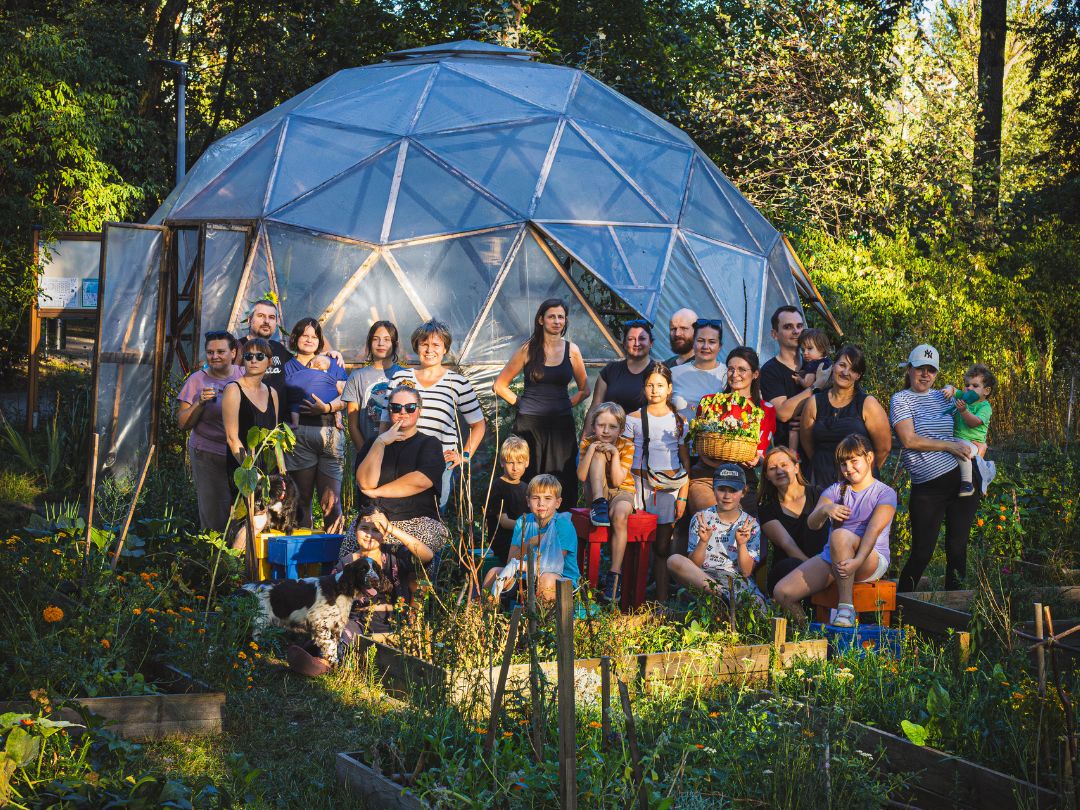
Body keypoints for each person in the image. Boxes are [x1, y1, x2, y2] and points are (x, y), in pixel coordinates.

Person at [773, 435, 897, 626]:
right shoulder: (835, 490)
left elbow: (873, 530)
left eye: (854, 461)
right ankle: (807, 631)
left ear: (869, 458)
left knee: (839, 536)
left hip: (869, 558)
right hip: (834, 558)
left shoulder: (885, 493)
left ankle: (845, 607)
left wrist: (857, 561)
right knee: (782, 592)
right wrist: (824, 510)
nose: (848, 468)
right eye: (843, 463)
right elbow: (813, 524)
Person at [891, 344, 979, 592]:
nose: (925, 375)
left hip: (963, 479)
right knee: (922, 552)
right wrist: (948, 447)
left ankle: (954, 609)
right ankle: (900, 609)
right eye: (920, 368)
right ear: (909, 369)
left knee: (957, 548)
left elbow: (977, 404)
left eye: (931, 370)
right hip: (928, 488)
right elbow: (909, 440)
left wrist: (978, 439)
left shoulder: (943, 396)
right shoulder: (901, 399)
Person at [493, 299, 589, 510]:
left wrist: (565, 404)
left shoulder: (572, 350)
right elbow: (500, 386)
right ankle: (524, 533)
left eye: (561, 317)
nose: (556, 321)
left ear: (565, 321)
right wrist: (523, 404)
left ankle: (560, 534)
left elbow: (585, 390)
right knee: (528, 478)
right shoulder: (528, 349)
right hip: (529, 425)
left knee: (562, 481)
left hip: (561, 428)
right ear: (540, 319)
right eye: (551, 316)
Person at [391, 321, 486, 511]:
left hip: (439, 462)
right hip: (402, 458)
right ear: (417, 346)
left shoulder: (457, 382)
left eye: (436, 345)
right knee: (397, 512)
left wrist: (464, 455)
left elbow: (478, 425)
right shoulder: (401, 378)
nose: (429, 349)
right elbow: (387, 421)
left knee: (433, 513)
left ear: (445, 349)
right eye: (424, 343)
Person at [353, 384, 450, 557]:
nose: (403, 412)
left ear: (419, 410)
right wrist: (380, 443)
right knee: (352, 559)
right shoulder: (372, 443)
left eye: (410, 407)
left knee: (410, 561)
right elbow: (365, 482)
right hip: (372, 523)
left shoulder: (430, 444)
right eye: (396, 407)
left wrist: (376, 492)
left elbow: (421, 480)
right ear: (389, 411)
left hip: (417, 521)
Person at [623, 363, 691, 603]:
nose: (655, 390)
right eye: (650, 385)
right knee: (637, 546)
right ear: (644, 388)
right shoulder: (632, 419)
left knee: (662, 547)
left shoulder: (679, 421)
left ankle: (661, 603)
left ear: (669, 388)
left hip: (670, 489)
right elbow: (625, 455)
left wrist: (683, 495)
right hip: (640, 486)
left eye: (660, 385)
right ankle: (632, 600)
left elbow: (685, 462)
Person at [686, 347, 776, 521]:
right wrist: (719, 460)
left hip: (742, 480)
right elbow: (701, 447)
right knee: (714, 519)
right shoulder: (709, 403)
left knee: (741, 530)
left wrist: (756, 460)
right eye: (731, 369)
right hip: (707, 476)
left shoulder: (765, 409)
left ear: (755, 374)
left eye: (742, 369)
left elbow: (760, 454)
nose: (735, 374)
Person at [282, 318, 348, 532]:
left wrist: (327, 408)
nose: (309, 340)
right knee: (301, 500)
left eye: (314, 336)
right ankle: (303, 559)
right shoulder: (287, 365)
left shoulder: (333, 362)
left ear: (320, 340)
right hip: (299, 435)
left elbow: (346, 396)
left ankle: (336, 560)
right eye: (305, 335)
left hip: (329, 432)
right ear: (295, 338)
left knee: (331, 502)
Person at [668, 464, 765, 607]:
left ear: (743, 492)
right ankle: (724, 596)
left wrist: (741, 544)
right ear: (713, 489)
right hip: (705, 578)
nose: (727, 496)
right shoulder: (701, 518)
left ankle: (725, 601)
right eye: (721, 489)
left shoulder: (750, 524)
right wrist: (703, 542)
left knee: (758, 604)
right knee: (674, 560)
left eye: (733, 490)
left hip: (736, 579)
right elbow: (694, 565)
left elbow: (746, 572)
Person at [177, 331, 244, 532]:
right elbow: (182, 423)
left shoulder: (245, 375)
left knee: (245, 509)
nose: (214, 356)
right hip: (208, 453)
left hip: (241, 454)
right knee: (214, 513)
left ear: (233, 352)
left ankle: (239, 556)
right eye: (210, 352)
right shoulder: (197, 381)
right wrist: (199, 403)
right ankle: (215, 557)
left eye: (221, 351)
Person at [799, 345, 891, 487]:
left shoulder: (868, 404)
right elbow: (807, 442)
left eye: (853, 369)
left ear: (858, 376)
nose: (846, 372)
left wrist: (862, 473)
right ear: (833, 365)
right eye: (842, 365)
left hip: (858, 486)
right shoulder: (814, 402)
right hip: (820, 482)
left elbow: (883, 448)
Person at [482, 474, 579, 604]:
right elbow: (510, 560)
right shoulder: (522, 522)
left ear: (558, 502)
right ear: (528, 501)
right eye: (535, 498)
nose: (541, 503)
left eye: (548, 498)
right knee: (493, 573)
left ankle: (543, 622)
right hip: (525, 578)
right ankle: (486, 616)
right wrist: (530, 543)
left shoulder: (562, 524)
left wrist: (520, 565)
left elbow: (553, 565)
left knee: (546, 579)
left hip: (561, 580)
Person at [578, 402, 636, 599]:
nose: (605, 431)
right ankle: (599, 503)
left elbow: (619, 480)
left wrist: (615, 453)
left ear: (620, 429)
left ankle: (615, 574)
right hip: (597, 490)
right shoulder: (588, 442)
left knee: (620, 515)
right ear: (593, 425)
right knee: (598, 455)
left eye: (612, 427)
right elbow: (581, 475)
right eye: (601, 425)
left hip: (622, 491)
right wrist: (593, 450)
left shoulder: (627, 445)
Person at [757, 446, 828, 597]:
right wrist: (817, 573)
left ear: (796, 467)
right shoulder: (767, 508)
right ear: (767, 476)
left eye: (784, 465)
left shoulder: (819, 494)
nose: (779, 471)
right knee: (790, 566)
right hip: (788, 572)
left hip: (824, 565)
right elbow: (788, 545)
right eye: (772, 468)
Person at [759, 306, 830, 452]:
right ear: (774, 334)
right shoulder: (770, 370)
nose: (796, 331)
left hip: (823, 451)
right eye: (788, 327)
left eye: (799, 326)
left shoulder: (817, 362)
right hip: (789, 458)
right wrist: (815, 386)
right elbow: (783, 413)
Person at [221, 337, 280, 510]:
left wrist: (278, 472)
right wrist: (251, 473)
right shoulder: (233, 389)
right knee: (249, 519)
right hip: (243, 468)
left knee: (267, 521)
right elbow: (232, 438)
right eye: (248, 356)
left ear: (269, 362)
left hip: (269, 470)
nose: (253, 360)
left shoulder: (272, 392)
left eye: (259, 356)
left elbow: (273, 437)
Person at [582, 320, 653, 437]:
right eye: (631, 339)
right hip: (608, 440)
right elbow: (595, 408)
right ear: (624, 344)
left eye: (642, 338)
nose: (636, 343)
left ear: (651, 343)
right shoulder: (610, 371)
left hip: (644, 442)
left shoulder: (657, 373)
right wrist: (585, 441)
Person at [342, 321, 405, 451]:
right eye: (376, 339)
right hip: (366, 450)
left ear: (395, 344)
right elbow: (352, 425)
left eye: (387, 339)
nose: (381, 343)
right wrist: (365, 453)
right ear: (369, 343)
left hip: (398, 452)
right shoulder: (356, 377)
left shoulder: (404, 376)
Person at [944, 363, 997, 496]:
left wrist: (964, 411)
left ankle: (967, 484)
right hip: (956, 438)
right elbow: (953, 389)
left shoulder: (985, 407)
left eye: (975, 386)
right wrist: (949, 389)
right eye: (967, 385)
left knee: (963, 449)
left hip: (972, 443)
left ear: (986, 391)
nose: (969, 388)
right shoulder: (965, 397)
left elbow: (975, 422)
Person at [237, 296, 294, 405]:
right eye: (261, 316)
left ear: (276, 322)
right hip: (248, 419)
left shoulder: (278, 348)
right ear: (249, 320)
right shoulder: (237, 348)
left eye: (271, 317)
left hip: (278, 420)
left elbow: (302, 363)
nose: (267, 321)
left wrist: (328, 355)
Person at [671, 319, 727, 422]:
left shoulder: (728, 375)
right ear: (693, 343)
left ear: (720, 346)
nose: (706, 347)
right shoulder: (674, 374)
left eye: (712, 342)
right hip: (676, 437)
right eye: (701, 341)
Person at [485, 436, 530, 563]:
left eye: (520, 462)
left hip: (523, 537)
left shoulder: (527, 488)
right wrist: (529, 527)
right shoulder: (497, 486)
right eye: (511, 462)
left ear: (527, 462)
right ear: (502, 462)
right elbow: (504, 522)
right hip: (504, 540)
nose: (515, 468)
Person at [788, 328, 832, 453]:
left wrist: (799, 380)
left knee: (793, 426)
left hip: (812, 401)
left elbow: (808, 382)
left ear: (822, 348)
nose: (805, 353)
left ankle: (792, 452)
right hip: (824, 404)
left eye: (810, 349)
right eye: (803, 350)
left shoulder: (815, 364)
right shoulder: (827, 362)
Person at [288, 355, 344, 431]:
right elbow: (338, 387)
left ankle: (295, 423)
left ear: (310, 364)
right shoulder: (330, 376)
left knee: (294, 405)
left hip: (304, 401)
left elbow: (289, 382)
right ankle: (338, 422)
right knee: (336, 409)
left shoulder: (299, 373)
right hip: (326, 401)